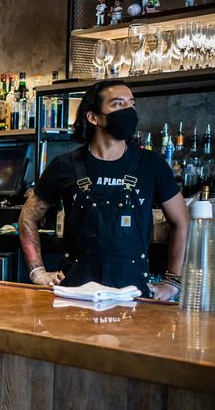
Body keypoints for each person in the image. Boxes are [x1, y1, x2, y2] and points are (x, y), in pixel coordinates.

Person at [18, 80, 189, 300]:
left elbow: (182, 221)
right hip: (75, 292)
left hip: (135, 292)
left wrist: (172, 281)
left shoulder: (152, 164)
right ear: (93, 117)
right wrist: (37, 271)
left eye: (131, 104)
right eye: (118, 104)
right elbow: (27, 218)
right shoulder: (65, 165)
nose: (128, 111)